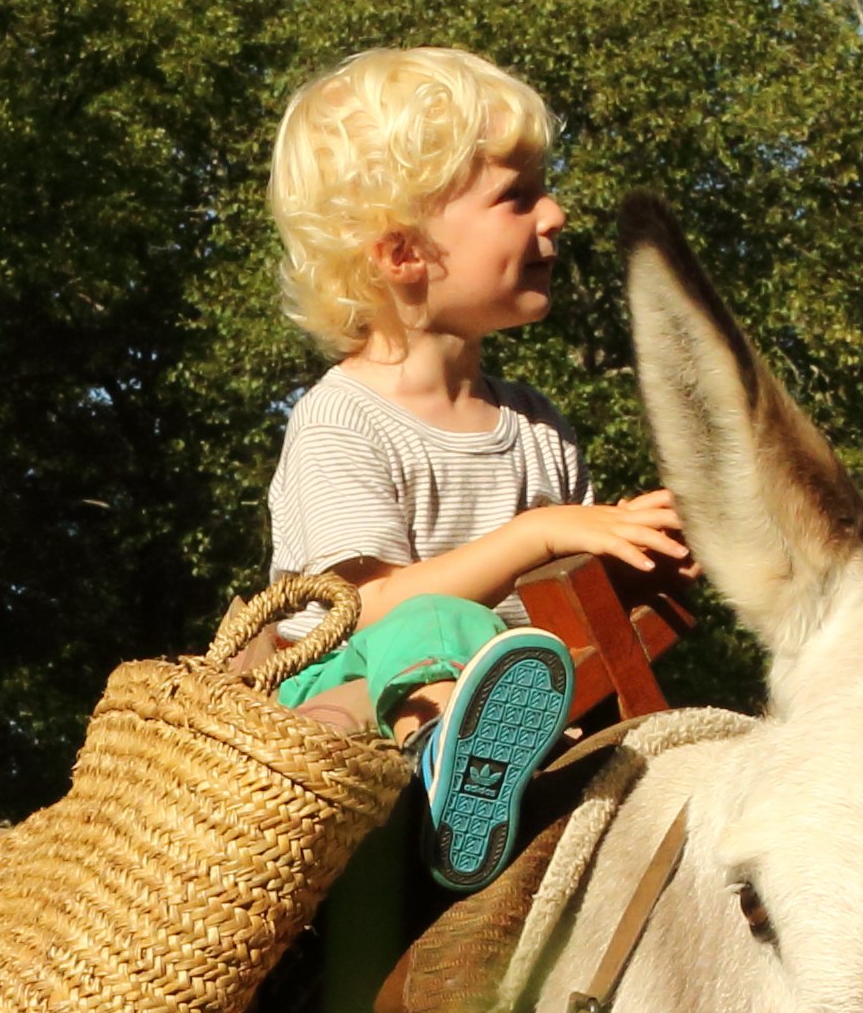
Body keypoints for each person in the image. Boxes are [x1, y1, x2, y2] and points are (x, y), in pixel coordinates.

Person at [255, 47, 689, 889]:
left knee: (508, 651)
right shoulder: (342, 419)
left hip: (519, 687)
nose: (555, 214)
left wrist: (644, 560)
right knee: (430, 625)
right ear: (403, 254)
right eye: (517, 197)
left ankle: (492, 765)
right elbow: (363, 609)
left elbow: (565, 592)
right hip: (338, 701)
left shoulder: (537, 426)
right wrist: (539, 533)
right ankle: (444, 764)